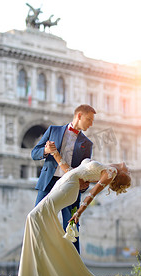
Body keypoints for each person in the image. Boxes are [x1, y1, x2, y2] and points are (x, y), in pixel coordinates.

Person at [16, 152, 141, 276]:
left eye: (129, 172)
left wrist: (78, 212)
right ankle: (38, 275)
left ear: (122, 174)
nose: (129, 168)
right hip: (65, 182)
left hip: (68, 188)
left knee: (34, 217)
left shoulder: (111, 172)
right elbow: (74, 172)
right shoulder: (106, 167)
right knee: (37, 219)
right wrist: (57, 156)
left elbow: (92, 193)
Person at [31, 104, 96, 253]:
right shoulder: (53, 130)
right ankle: (35, 262)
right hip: (48, 183)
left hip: (70, 186)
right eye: (89, 119)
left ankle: (75, 270)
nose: (91, 123)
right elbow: (34, 153)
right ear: (79, 116)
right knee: (37, 220)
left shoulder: (87, 144)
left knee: (72, 226)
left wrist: (84, 185)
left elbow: (84, 171)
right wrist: (46, 150)